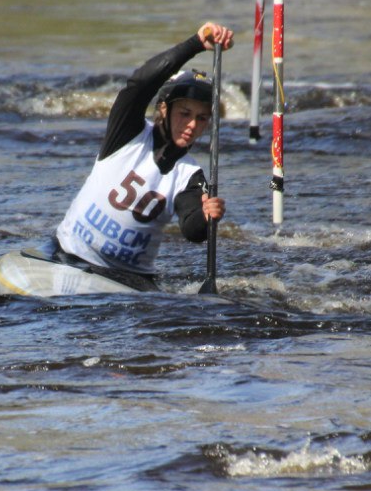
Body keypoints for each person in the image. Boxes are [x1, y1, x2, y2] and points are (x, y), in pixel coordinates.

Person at [49, 22, 234, 291]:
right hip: (70, 256)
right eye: (184, 113)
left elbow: (192, 230)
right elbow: (139, 84)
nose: (193, 124)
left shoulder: (189, 175)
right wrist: (195, 43)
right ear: (163, 110)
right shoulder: (127, 133)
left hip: (131, 280)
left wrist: (207, 217)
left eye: (202, 118)